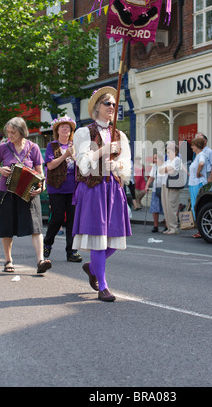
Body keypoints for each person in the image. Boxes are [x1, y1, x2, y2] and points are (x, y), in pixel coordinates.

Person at [72, 86, 132, 302]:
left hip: (113, 189)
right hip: (94, 189)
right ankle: (103, 286)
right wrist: (102, 152)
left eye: (115, 105)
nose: (112, 107)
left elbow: (127, 165)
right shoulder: (84, 133)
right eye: (108, 103)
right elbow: (83, 166)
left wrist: (116, 165)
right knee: (98, 238)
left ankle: (92, 267)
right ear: (97, 107)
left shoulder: (120, 135)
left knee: (114, 239)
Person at [0, 117, 51, 274]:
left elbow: (41, 173)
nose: (10, 135)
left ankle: (40, 261)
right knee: (7, 227)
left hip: (28, 193)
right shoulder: (3, 148)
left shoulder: (33, 148)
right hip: (7, 193)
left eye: (13, 132)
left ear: (22, 132)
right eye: (8, 132)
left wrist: (41, 187)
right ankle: (8, 259)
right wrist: (1, 170)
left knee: (36, 226)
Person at [43, 116, 82, 262]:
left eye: (68, 127)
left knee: (72, 220)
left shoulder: (75, 146)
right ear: (57, 130)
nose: (65, 129)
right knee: (58, 217)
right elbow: (51, 165)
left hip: (73, 188)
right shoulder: (52, 146)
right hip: (57, 187)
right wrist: (65, 155)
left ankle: (71, 252)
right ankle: (47, 243)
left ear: (71, 131)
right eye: (62, 127)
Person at [159, 142, 183, 235]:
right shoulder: (168, 160)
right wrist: (165, 169)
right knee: (166, 207)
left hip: (173, 185)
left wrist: (165, 169)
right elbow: (161, 170)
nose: (167, 152)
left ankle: (174, 227)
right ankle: (169, 227)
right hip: (165, 184)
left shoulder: (177, 159)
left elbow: (171, 170)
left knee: (172, 206)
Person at [189, 137, 207, 238]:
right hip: (193, 183)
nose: (191, 147)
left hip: (197, 183)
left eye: (193, 145)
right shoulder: (197, 155)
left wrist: (198, 172)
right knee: (194, 206)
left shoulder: (201, 155)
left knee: (197, 205)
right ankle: (200, 229)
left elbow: (202, 163)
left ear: (197, 146)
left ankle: (201, 230)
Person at [145, 151, 164, 232]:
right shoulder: (155, 167)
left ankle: (167, 225)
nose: (154, 160)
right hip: (156, 189)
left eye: (156, 158)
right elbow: (151, 177)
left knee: (165, 208)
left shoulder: (165, 165)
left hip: (164, 189)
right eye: (154, 158)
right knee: (155, 208)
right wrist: (147, 186)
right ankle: (155, 226)